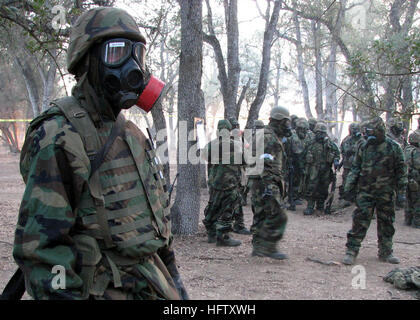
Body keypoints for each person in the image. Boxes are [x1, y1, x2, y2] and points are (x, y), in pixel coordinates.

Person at [12, 7, 188, 300]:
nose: (133, 67)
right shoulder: (58, 134)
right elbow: (43, 250)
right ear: (87, 60)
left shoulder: (133, 134)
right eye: (117, 53)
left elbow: (158, 232)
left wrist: (176, 284)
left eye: (138, 55)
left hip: (153, 284)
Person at [342, 116, 407, 265]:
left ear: (380, 130)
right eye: (366, 131)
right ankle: (351, 250)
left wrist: (402, 191)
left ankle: (386, 252)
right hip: (366, 191)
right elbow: (356, 168)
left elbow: (401, 170)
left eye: (370, 131)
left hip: (386, 192)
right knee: (359, 220)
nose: (367, 134)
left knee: (387, 222)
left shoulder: (394, 147)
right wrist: (349, 187)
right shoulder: (364, 146)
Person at [250, 106, 291, 260]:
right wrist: (269, 186)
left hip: (260, 182)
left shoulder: (269, 135)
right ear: (280, 120)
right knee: (279, 215)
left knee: (261, 215)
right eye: (287, 122)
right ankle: (268, 247)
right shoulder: (268, 137)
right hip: (265, 182)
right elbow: (264, 163)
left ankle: (258, 248)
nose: (288, 126)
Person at [201, 120, 243, 247]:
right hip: (229, 183)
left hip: (215, 182)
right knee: (227, 209)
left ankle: (211, 233)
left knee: (213, 206)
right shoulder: (235, 145)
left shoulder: (210, 145)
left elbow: (204, 157)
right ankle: (223, 236)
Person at [303, 122, 340, 215]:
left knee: (323, 188)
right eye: (319, 133)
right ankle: (310, 206)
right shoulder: (310, 143)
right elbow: (302, 154)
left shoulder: (329, 144)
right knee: (311, 187)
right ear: (315, 132)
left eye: (323, 133)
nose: (321, 135)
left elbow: (337, 153)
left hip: (325, 169)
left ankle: (320, 206)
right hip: (313, 169)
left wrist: (336, 160)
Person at [228, 117, 251, 235]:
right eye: (234, 126)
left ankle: (233, 223)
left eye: (237, 126)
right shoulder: (231, 140)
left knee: (235, 199)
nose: (236, 128)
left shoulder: (240, 139)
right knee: (236, 200)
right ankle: (238, 224)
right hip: (233, 175)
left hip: (238, 173)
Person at [338, 122, 362, 206]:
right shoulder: (346, 140)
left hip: (359, 165)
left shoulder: (362, 140)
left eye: (356, 130)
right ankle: (346, 198)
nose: (354, 132)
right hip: (348, 165)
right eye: (353, 130)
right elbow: (345, 150)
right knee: (347, 181)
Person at [403, 130, 420, 228]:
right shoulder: (416, 151)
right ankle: (417, 222)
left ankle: (408, 220)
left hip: (407, 177)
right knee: (417, 200)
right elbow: (418, 165)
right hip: (416, 179)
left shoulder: (406, 149)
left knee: (409, 200)